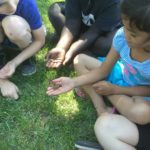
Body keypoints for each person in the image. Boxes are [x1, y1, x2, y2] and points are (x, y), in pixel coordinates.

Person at [47, 0, 150, 149]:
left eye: (133, 34)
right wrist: (74, 82)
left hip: (139, 93)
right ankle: (101, 109)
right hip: (122, 75)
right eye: (125, 27)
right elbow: (103, 71)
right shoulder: (122, 37)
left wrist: (116, 90)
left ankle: (109, 97)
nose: (126, 35)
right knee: (80, 59)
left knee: (142, 113)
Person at [46, 0, 121, 68]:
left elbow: (95, 32)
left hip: (103, 31)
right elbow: (72, 23)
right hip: (83, 23)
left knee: (106, 44)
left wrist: (72, 51)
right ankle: (84, 50)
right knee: (54, 10)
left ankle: (82, 49)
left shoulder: (116, 3)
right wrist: (61, 47)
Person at [0, 0, 45, 100]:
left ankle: (24, 55)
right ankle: (2, 53)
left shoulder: (27, 3)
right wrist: (2, 82)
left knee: (14, 25)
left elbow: (39, 40)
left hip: (25, 34)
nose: (11, 7)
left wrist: (14, 62)